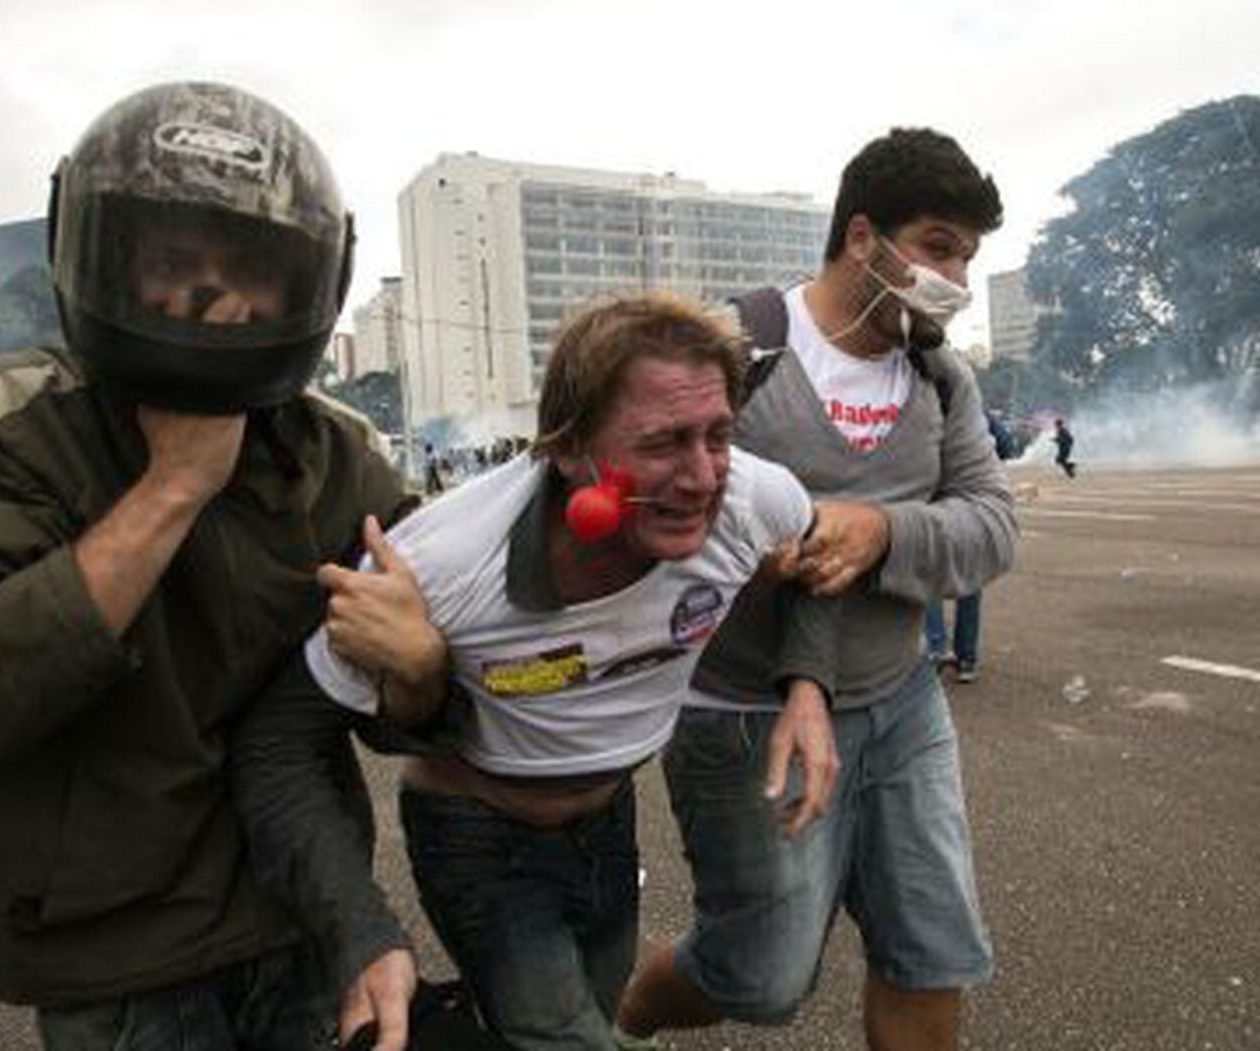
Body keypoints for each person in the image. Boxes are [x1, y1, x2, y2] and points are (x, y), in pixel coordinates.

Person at [0, 82, 440, 1051]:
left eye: (246, 265)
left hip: (297, 913)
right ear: (108, 257)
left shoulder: (336, 452)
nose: (209, 295)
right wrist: (172, 485)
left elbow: (428, 676)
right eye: (174, 260)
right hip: (113, 953)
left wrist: (419, 671)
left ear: (302, 281)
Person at [232, 294, 839, 1051]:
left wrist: (807, 687)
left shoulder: (751, 496)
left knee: (591, 1014)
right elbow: (276, 744)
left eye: (718, 434)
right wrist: (362, 932)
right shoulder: (441, 563)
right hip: (480, 839)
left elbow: (820, 554)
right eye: (663, 442)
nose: (700, 476)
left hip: (610, 824)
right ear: (570, 447)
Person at [618, 127, 1016, 1051]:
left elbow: (992, 527)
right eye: (938, 246)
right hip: (742, 710)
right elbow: (639, 500)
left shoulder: (938, 374)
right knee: (761, 974)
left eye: (970, 254)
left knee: (931, 949)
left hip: (902, 699)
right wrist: (742, 535)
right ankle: (630, 1006)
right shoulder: (733, 349)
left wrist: (881, 533)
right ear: (863, 236)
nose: (954, 276)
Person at [926, 408, 1016, 685]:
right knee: (970, 583)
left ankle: (935, 649)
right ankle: (966, 659)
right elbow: (1006, 446)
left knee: (930, 581)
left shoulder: (923, 403)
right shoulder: (976, 410)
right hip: (971, 505)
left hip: (935, 503)